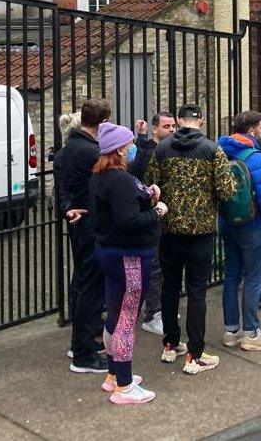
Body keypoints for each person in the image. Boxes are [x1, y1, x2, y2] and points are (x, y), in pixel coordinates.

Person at [145, 104, 235, 374]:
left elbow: (151, 185)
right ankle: (195, 354)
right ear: (201, 121)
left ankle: (171, 343)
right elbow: (227, 190)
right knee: (197, 291)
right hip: (200, 233)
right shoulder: (211, 150)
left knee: (170, 287)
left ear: (179, 121)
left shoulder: (162, 149)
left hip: (169, 230)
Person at [89, 122, 167, 404]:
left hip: (112, 252)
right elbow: (129, 221)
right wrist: (158, 210)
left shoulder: (104, 174)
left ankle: (113, 375)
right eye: (130, 143)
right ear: (121, 148)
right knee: (126, 319)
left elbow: (126, 204)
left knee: (116, 314)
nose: (133, 147)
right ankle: (124, 385)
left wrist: (148, 196)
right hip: (129, 256)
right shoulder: (118, 179)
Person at [58, 98, 112, 374]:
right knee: (91, 288)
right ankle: (84, 353)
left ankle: (81, 340)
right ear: (102, 123)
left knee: (81, 282)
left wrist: (67, 208)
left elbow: (62, 187)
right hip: (92, 224)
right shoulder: (93, 152)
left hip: (78, 221)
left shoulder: (69, 148)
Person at [218, 111, 261, 351]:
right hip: (254, 226)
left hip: (228, 223)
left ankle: (230, 331)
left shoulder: (220, 152)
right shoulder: (255, 157)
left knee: (231, 276)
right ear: (252, 130)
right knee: (254, 279)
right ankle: (252, 333)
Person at [128, 111, 176, 337]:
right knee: (155, 265)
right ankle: (152, 314)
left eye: (173, 125)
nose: (172, 130)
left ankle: (160, 308)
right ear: (155, 129)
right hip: (150, 213)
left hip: (166, 213)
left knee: (166, 262)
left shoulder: (175, 148)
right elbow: (136, 171)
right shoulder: (147, 150)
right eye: (167, 126)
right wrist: (139, 137)